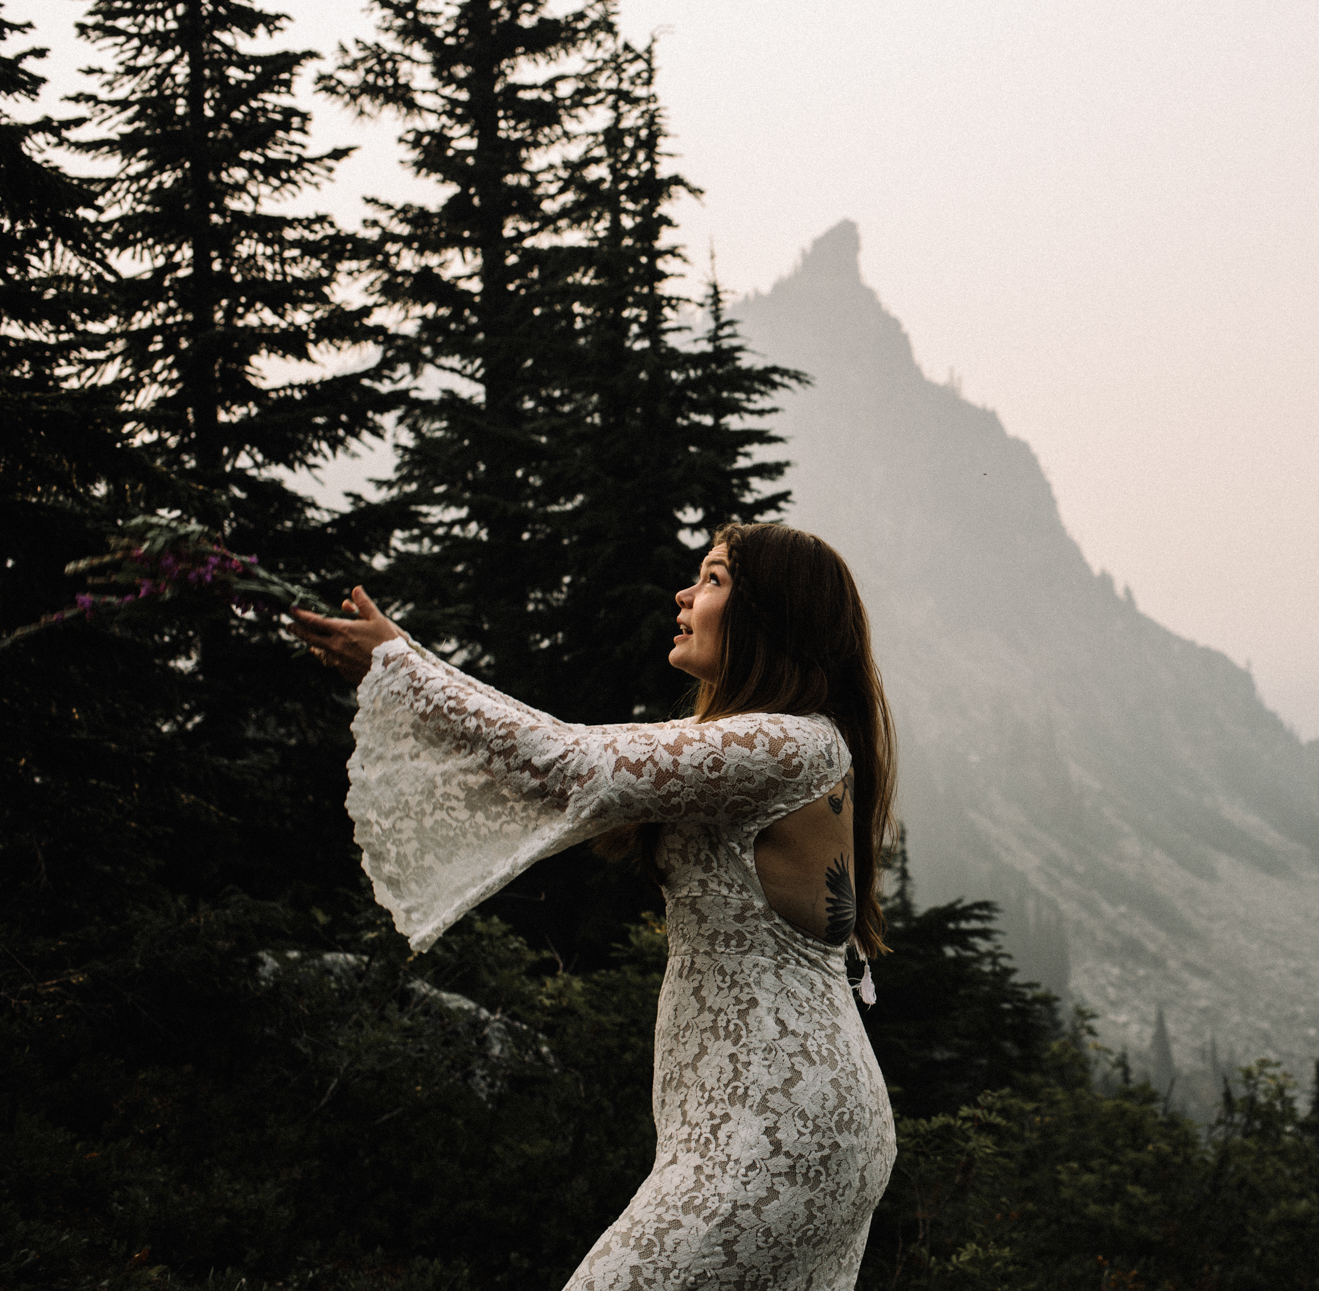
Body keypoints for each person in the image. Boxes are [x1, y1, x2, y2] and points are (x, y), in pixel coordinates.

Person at [288, 522, 898, 1290]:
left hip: (777, 1129)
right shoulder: (772, 744)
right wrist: (404, 661)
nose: (684, 593)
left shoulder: (789, 745)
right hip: (791, 1126)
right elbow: (565, 756)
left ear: (772, 614)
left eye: (712, 578)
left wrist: (400, 667)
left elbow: (572, 762)